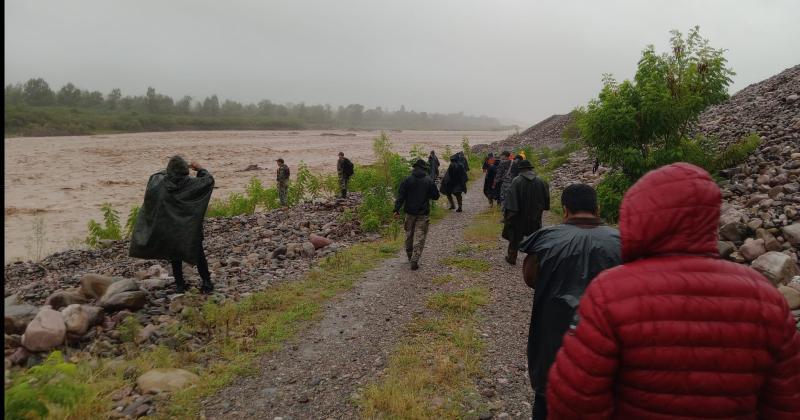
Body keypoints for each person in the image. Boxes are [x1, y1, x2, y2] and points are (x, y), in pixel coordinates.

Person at [546, 163, 800, 419]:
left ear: (638, 216)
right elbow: (787, 403)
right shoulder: (766, 298)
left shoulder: (609, 291)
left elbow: (575, 401)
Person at [517, 183, 622, 420]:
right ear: (597, 208)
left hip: (553, 347)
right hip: (608, 350)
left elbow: (531, 278)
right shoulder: (622, 241)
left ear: (564, 210)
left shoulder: (546, 240)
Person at [129, 156, 215, 294]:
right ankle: (206, 282)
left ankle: (180, 285)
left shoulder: (159, 183)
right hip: (189, 229)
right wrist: (199, 168)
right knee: (198, 253)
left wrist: (170, 170)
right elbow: (209, 180)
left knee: (175, 255)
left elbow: (155, 175)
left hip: (170, 229)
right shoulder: (191, 184)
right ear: (185, 171)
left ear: (169, 171)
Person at [394, 159, 440, 270]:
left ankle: (410, 256)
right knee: (420, 236)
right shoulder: (428, 180)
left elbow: (401, 197)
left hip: (409, 213)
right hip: (423, 213)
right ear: (424, 169)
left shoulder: (407, 180)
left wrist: (396, 210)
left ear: (414, 168)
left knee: (409, 235)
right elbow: (436, 196)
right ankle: (415, 259)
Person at [502, 159, 549, 265]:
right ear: (530, 169)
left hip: (519, 216)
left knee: (514, 238)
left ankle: (512, 258)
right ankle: (535, 260)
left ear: (521, 169)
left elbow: (511, 202)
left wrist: (508, 217)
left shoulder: (516, 181)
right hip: (535, 216)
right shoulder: (541, 181)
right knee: (535, 238)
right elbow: (546, 201)